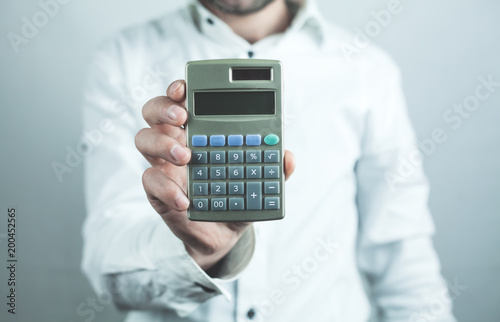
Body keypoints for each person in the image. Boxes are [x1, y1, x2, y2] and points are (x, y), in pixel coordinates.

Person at [81, 0, 457, 321]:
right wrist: (200, 253)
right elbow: (110, 269)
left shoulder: (367, 70)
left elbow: (403, 259)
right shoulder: (123, 58)